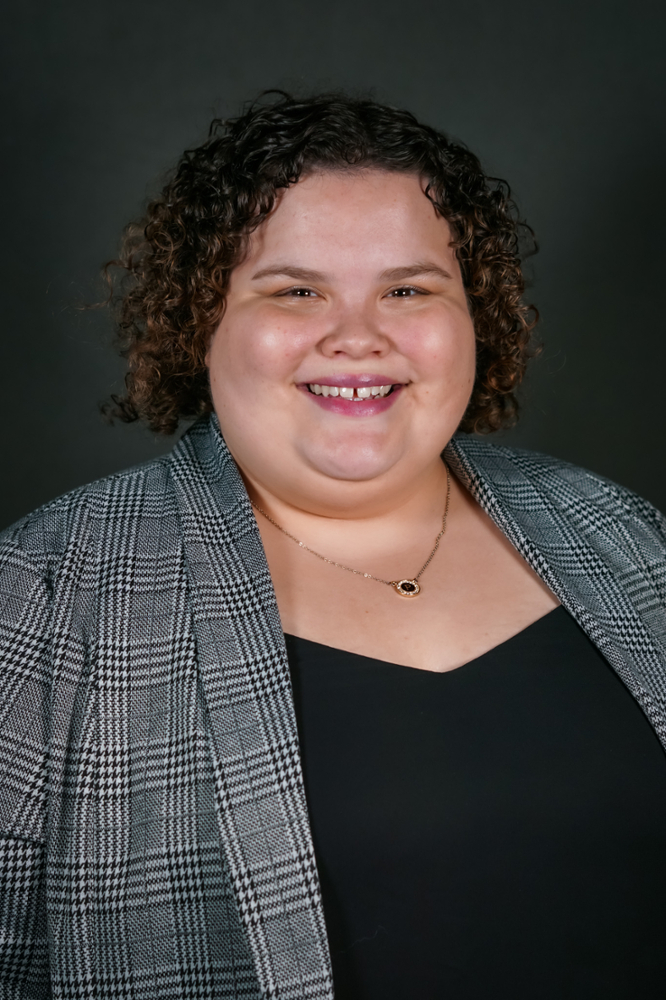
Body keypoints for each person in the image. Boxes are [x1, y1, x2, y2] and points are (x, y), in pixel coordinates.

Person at [1, 92, 665, 1000]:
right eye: (296, 290)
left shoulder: (621, 533)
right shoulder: (41, 595)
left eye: (408, 288)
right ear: (202, 321)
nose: (358, 337)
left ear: (479, 315)